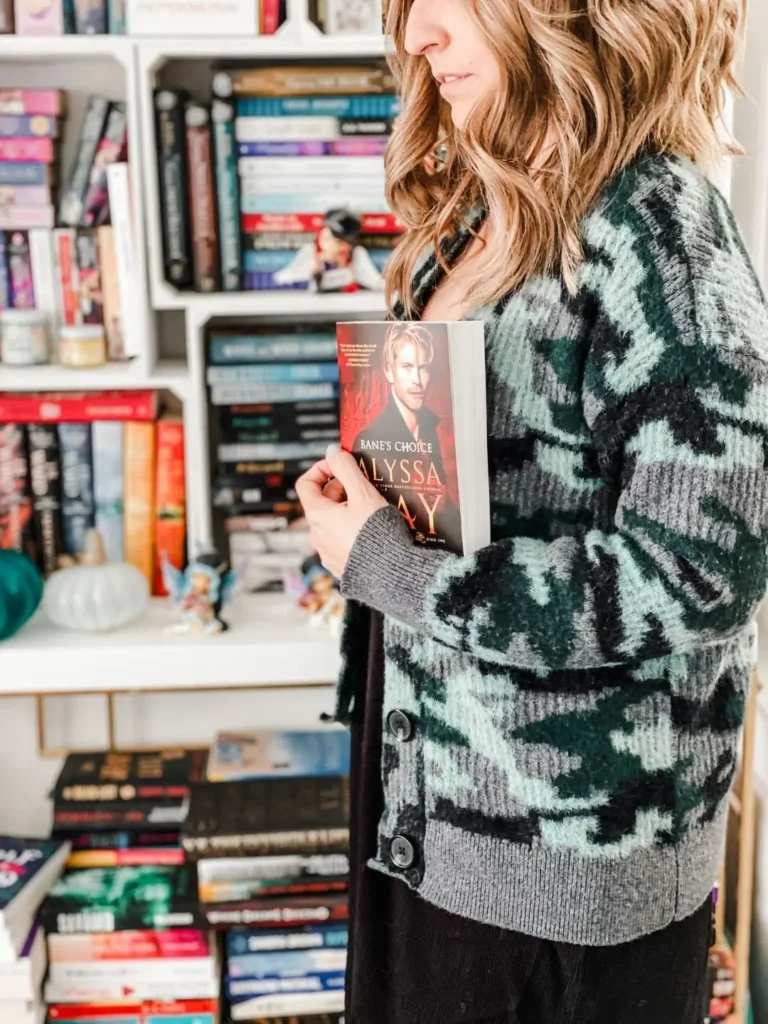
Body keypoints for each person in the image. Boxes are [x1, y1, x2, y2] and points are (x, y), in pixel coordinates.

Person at [296, 1, 768, 1022]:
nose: (415, 36)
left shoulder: (660, 231)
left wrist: (388, 563)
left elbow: (698, 575)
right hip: (428, 816)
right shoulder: (480, 201)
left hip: (566, 885)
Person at [353, 321, 455, 540]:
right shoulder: (368, 440)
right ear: (389, 371)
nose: (417, 380)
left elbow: (445, 509)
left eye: (423, 368)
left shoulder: (430, 430)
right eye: (407, 367)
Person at [273, 208, 385, 293]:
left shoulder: (356, 254)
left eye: (339, 242)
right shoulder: (311, 252)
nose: (329, 244)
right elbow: (282, 279)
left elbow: (376, 282)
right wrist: (313, 277)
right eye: (326, 238)